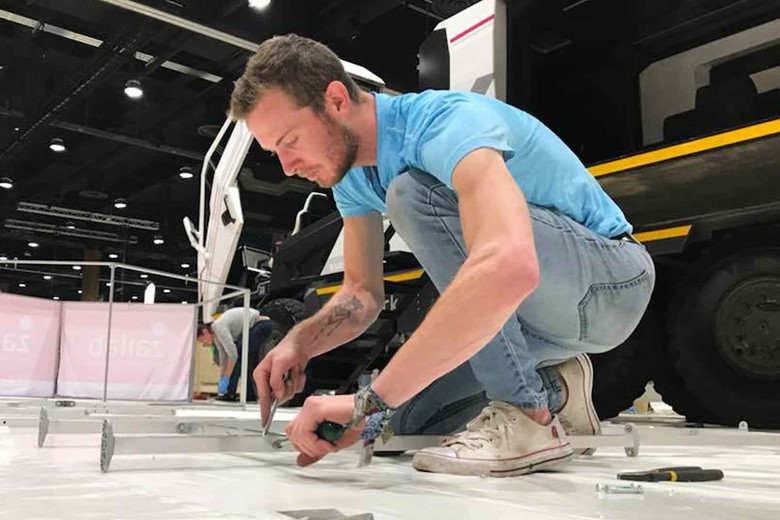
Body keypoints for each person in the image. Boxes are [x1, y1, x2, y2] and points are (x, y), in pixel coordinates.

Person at [232, 34, 655, 477]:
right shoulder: (351, 175)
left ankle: (527, 416)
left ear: (336, 99)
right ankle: (556, 390)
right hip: (538, 319)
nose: (287, 166)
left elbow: (507, 266)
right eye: (274, 151)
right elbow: (360, 295)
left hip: (609, 284)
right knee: (406, 424)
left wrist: (369, 399)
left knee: (413, 195)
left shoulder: (443, 122)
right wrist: (300, 342)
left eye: (290, 140)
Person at [197, 307, 273, 401]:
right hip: (254, 326)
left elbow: (233, 355)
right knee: (238, 359)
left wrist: (226, 379)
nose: (204, 343)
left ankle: (233, 394)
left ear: (204, 332)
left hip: (261, 324)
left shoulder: (218, 327)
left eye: (202, 340)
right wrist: (222, 380)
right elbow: (223, 357)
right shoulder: (216, 335)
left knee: (241, 358)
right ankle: (244, 395)